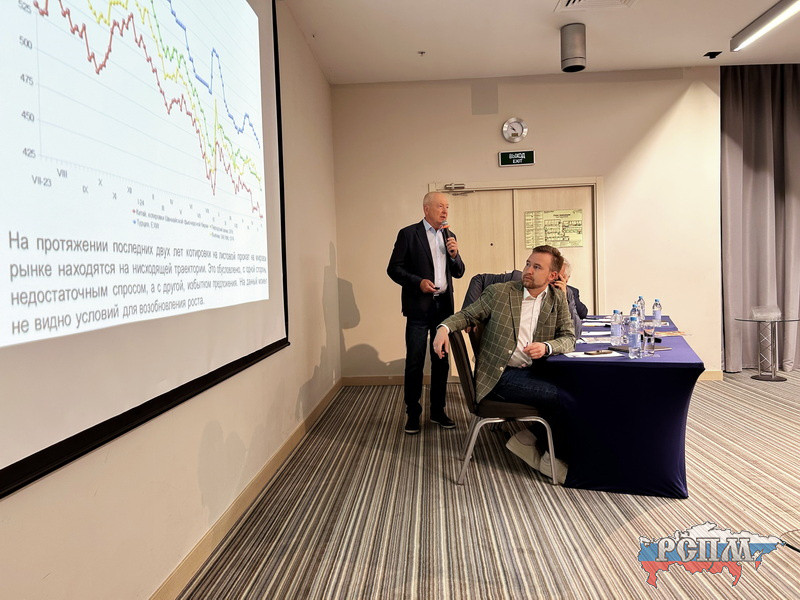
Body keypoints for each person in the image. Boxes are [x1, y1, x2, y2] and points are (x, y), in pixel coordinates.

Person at [433, 245, 575, 483]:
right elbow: (467, 315)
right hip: (500, 376)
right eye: (528, 263)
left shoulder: (557, 298)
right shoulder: (500, 292)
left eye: (537, 267)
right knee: (562, 396)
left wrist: (547, 347)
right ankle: (551, 458)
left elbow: (569, 337)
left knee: (576, 390)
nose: (528, 270)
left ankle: (529, 440)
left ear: (552, 276)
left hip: (534, 372)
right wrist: (443, 328)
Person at [387, 191, 465, 434]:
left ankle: (438, 411)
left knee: (441, 361)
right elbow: (394, 269)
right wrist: (417, 282)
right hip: (418, 308)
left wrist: (455, 255)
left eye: (447, 207)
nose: (445, 211)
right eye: (440, 206)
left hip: (444, 309)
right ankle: (412, 413)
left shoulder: (450, 236)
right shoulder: (409, 234)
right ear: (426, 209)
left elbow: (459, 272)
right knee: (415, 361)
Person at [461, 259, 587, 339]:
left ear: (565, 280)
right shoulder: (517, 280)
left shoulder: (565, 293)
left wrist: (565, 300)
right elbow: (479, 279)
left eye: (556, 278)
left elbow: (575, 335)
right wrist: (470, 314)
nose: (550, 281)